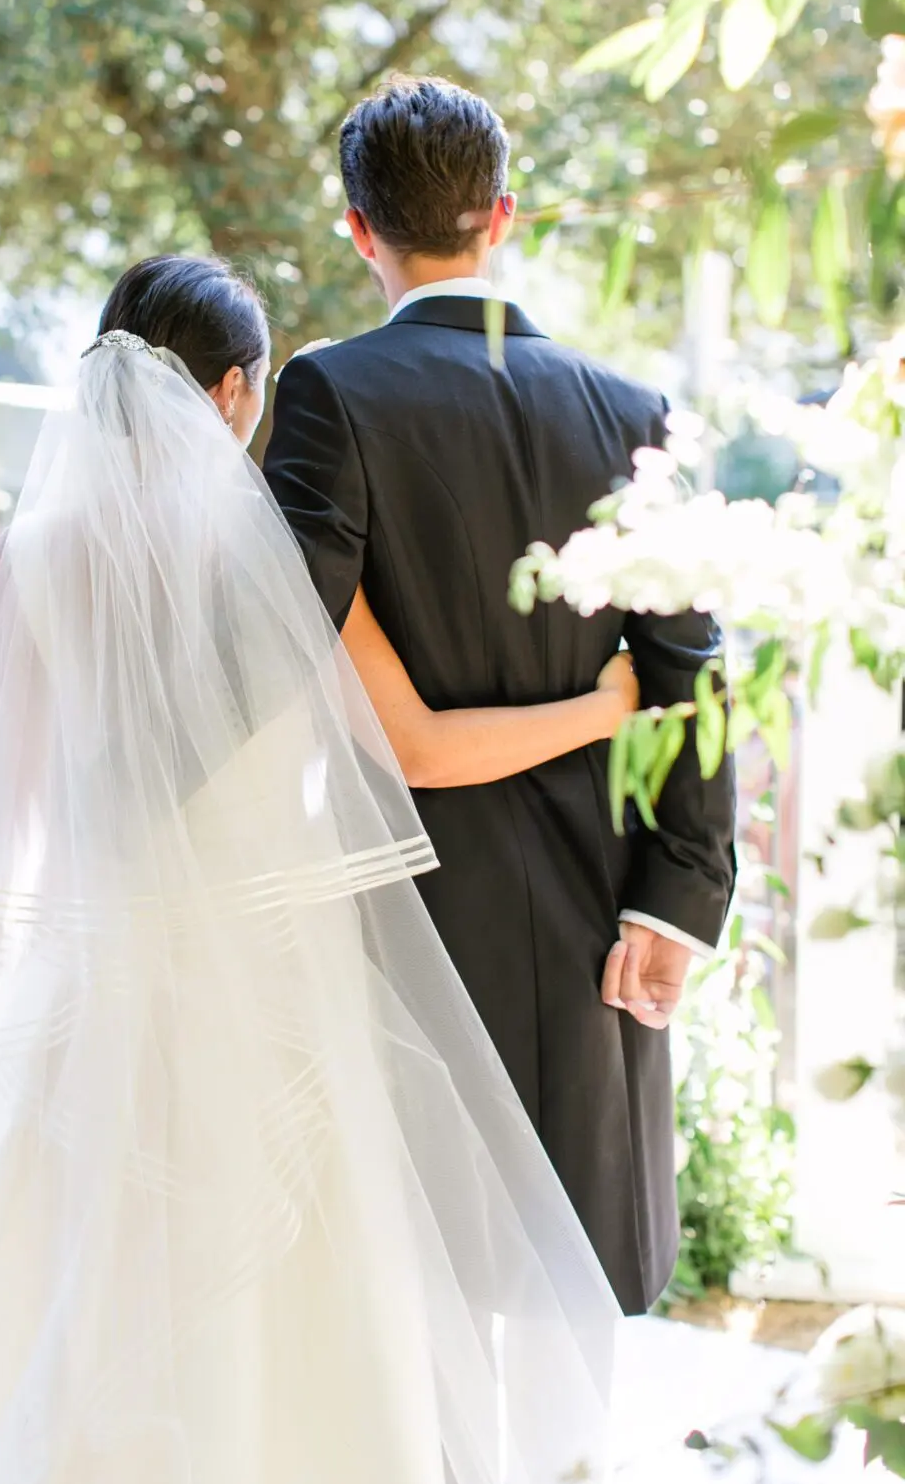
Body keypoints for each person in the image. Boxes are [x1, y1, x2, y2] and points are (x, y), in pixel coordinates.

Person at [0, 256, 635, 1484]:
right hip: (266, 983)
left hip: (91, 977)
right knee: (288, 1312)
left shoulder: (34, 553)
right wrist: (609, 701)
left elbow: (6, 823)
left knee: (56, 1284)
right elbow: (412, 746)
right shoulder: (272, 559)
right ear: (236, 393)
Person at [263, 76, 737, 1317]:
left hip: (409, 903)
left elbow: (269, 644)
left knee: (417, 1302)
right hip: (602, 912)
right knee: (567, 1298)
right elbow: (695, 675)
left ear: (359, 229)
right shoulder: (632, 409)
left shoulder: (330, 396)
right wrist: (674, 905)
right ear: (505, 215)